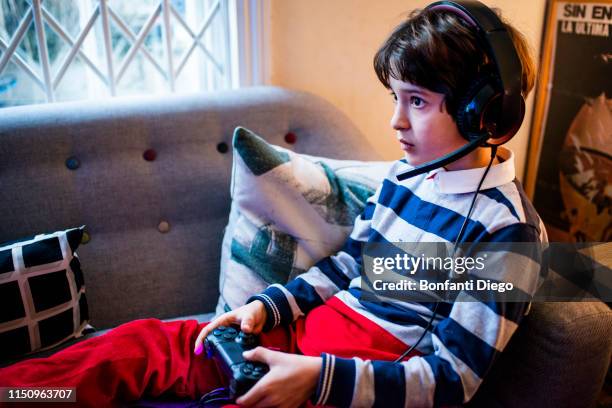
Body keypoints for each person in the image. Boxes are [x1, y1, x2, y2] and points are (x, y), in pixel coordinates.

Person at [0, 2, 545, 407]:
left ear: (486, 113)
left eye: (418, 102)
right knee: (139, 346)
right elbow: (349, 266)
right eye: (395, 99)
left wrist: (314, 378)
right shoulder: (407, 176)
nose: (395, 121)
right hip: (289, 345)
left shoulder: (508, 232)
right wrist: (267, 308)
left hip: (342, 385)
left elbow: (453, 380)